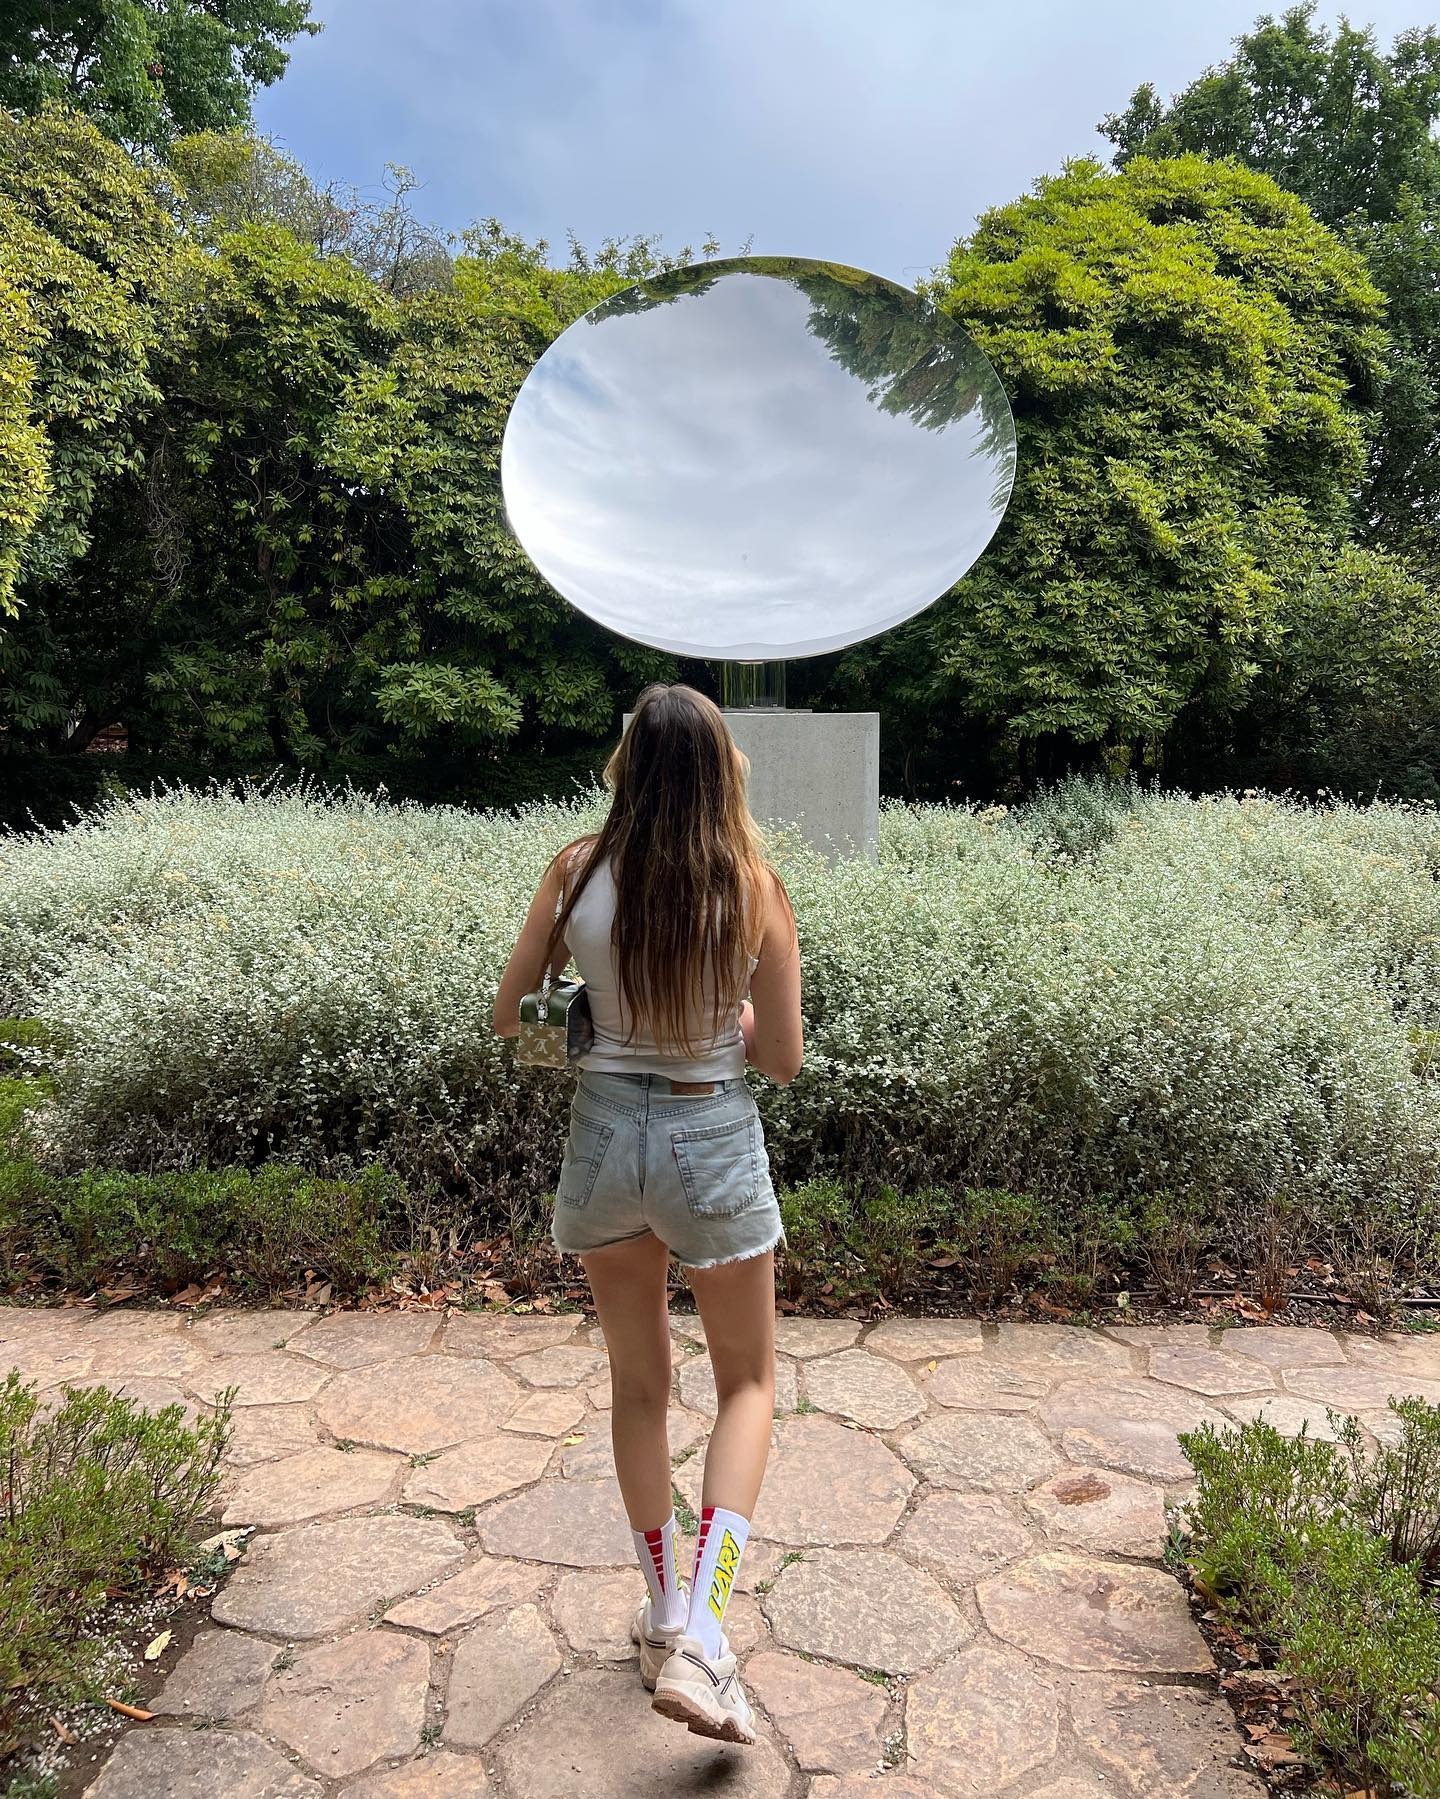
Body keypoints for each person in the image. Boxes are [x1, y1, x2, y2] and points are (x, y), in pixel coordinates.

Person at [492, 681, 803, 1745]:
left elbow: (515, 1020)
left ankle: (663, 1605)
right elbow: (781, 1059)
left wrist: (590, 1014)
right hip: (709, 1131)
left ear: (626, 764)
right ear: (723, 768)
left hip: (602, 1140)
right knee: (747, 1382)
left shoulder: (575, 868)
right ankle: (705, 1639)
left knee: (639, 1384)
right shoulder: (753, 886)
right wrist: (739, 1021)